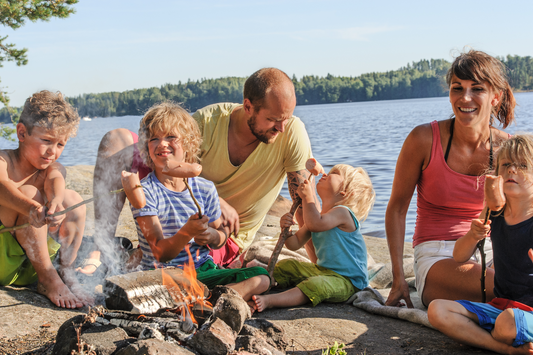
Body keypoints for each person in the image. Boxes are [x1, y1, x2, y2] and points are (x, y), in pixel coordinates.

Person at [91, 67, 313, 273]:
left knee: (171, 263)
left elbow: (303, 202)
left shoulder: (292, 133)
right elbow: (164, 155)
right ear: (248, 107)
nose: (282, 127)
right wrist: (216, 197)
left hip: (218, 236)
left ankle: (143, 253)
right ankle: (100, 250)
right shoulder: (209, 121)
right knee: (116, 140)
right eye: (273, 119)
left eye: (286, 118)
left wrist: (321, 263)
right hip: (176, 218)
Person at [385, 49, 516, 308]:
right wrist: (399, 277)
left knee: (513, 283)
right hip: (437, 254)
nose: (465, 98)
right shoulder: (423, 139)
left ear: (495, 97)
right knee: (503, 286)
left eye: (476, 89)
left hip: (492, 251)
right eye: (457, 88)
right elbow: (397, 209)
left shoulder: (507, 148)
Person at [131, 102, 269, 304]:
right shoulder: (143, 192)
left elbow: (221, 233)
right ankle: (214, 301)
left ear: (188, 144)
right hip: (162, 275)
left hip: (201, 270)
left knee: (261, 277)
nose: (162, 144)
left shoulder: (204, 188)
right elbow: (160, 252)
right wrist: (187, 231)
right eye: (154, 139)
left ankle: (205, 301)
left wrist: (213, 235)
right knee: (167, 287)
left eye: (171, 137)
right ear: (147, 148)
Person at [428, 134, 533, 354]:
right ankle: (506, 348)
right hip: (500, 306)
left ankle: (496, 337)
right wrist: (473, 235)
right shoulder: (494, 213)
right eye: (506, 165)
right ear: (496, 174)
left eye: (522, 165)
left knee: (508, 323)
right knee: (437, 309)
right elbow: (459, 256)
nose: (512, 170)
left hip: (526, 313)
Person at [0, 91, 90, 308]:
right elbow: (2, 187)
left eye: (61, 144)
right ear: (22, 133)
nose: (53, 151)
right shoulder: (4, 160)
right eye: (46, 141)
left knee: (72, 199)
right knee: (30, 193)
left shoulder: (51, 167)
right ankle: (50, 280)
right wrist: (31, 207)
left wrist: (56, 201)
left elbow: (55, 179)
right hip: (3, 263)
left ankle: (65, 272)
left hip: (31, 267)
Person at [252, 164, 375, 311]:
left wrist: (308, 197)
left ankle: (271, 300)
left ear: (346, 192)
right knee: (288, 265)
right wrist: (286, 229)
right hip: (323, 271)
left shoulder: (343, 213)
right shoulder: (320, 218)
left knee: (316, 285)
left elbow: (314, 224)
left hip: (348, 281)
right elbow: (294, 244)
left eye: (333, 173)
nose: (325, 174)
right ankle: (268, 282)